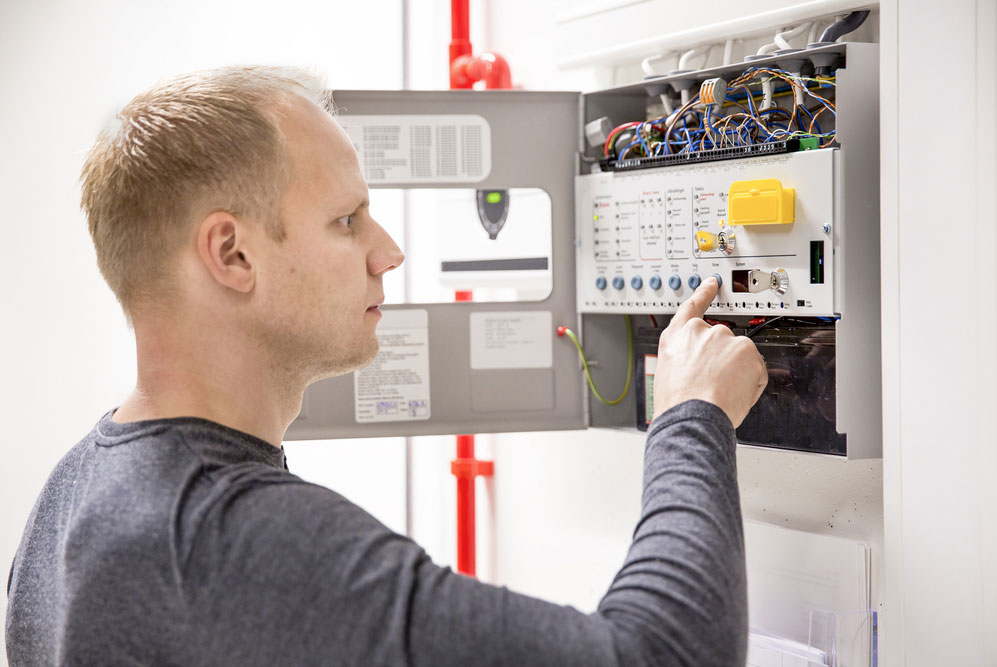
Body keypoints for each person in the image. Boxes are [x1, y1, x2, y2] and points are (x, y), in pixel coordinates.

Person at [5, 67, 768, 666]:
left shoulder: (78, 490)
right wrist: (689, 417)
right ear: (232, 253)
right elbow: (667, 656)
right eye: (346, 220)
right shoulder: (237, 540)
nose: (389, 251)